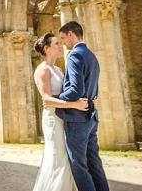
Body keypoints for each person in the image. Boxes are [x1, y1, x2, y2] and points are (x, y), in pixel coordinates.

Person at [29, 33, 88, 191]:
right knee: (58, 157)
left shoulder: (58, 69)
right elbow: (47, 100)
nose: (59, 45)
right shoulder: (43, 70)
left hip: (64, 117)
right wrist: (74, 105)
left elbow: (66, 92)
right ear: (47, 49)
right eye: (56, 43)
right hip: (53, 119)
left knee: (67, 157)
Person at [55, 21, 109, 191]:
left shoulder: (74, 55)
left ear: (71, 34)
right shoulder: (91, 55)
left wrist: (56, 98)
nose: (64, 42)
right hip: (91, 118)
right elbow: (93, 87)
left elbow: (76, 90)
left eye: (64, 38)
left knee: (79, 165)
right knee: (94, 163)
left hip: (77, 119)